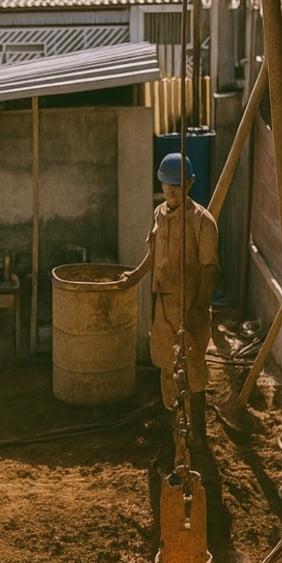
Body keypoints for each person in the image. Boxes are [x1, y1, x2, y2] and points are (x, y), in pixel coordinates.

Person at [121, 153, 220, 447]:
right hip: (163, 304)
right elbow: (153, 255)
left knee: (192, 370)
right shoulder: (159, 214)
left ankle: (198, 435)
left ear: (189, 184)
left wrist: (197, 309)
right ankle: (175, 431)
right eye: (167, 185)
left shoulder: (202, 221)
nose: (172, 191)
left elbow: (211, 269)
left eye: (178, 186)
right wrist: (134, 277)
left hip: (190, 306)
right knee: (166, 365)